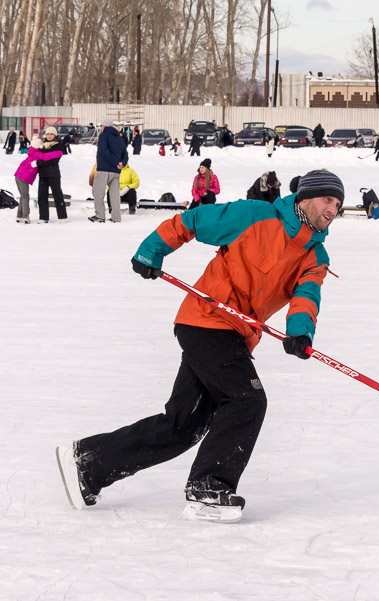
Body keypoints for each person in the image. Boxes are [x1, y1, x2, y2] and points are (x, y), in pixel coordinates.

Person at [55, 169, 345, 524]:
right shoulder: (256, 215)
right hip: (205, 320)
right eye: (328, 200)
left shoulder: (316, 256)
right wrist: (152, 250)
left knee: (183, 425)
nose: (333, 209)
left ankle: (89, 463)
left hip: (235, 334)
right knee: (247, 399)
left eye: (338, 204)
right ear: (306, 198)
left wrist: (300, 332)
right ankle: (209, 487)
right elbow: (193, 220)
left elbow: (306, 294)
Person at [14, 140, 62, 224]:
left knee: (23, 195)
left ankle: (19, 215)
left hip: (18, 175)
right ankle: (25, 216)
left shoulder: (32, 152)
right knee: (25, 196)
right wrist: (58, 153)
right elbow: (47, 156)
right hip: (23, 177)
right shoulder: (37, 154)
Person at [91, 119, 129, 223]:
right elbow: (125, 154)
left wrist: (114, 163)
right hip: (116, 172)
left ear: (104, 126)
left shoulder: (103, 135)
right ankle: (116, 217)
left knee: (98, 192)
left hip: (103, 169)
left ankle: (100, 216)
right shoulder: (119, 137)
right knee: (114, 195)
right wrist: (122, 163)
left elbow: (104, 151)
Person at [35, 127, 68, 224]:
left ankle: (62, 216)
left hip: (53, 174)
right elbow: (38, 156)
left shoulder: (58, 145)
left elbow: (53, 160)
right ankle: (43, 217)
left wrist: (39, 163)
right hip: (43, 175)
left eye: (51, 134)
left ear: (55, 135)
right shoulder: (42, 146)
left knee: (57, 195)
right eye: (48, 134)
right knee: (42, 196)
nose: (49, 136)